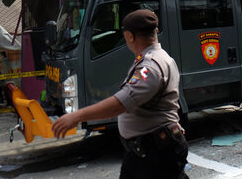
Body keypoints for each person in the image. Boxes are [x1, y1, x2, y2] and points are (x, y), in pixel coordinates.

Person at [52, 9, 189, 179]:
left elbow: (120, 104)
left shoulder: (150, 66)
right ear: (155, 31)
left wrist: (77, 116)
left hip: (156, 153)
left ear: (130, 36)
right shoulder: (157, 58)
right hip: (145, 151)